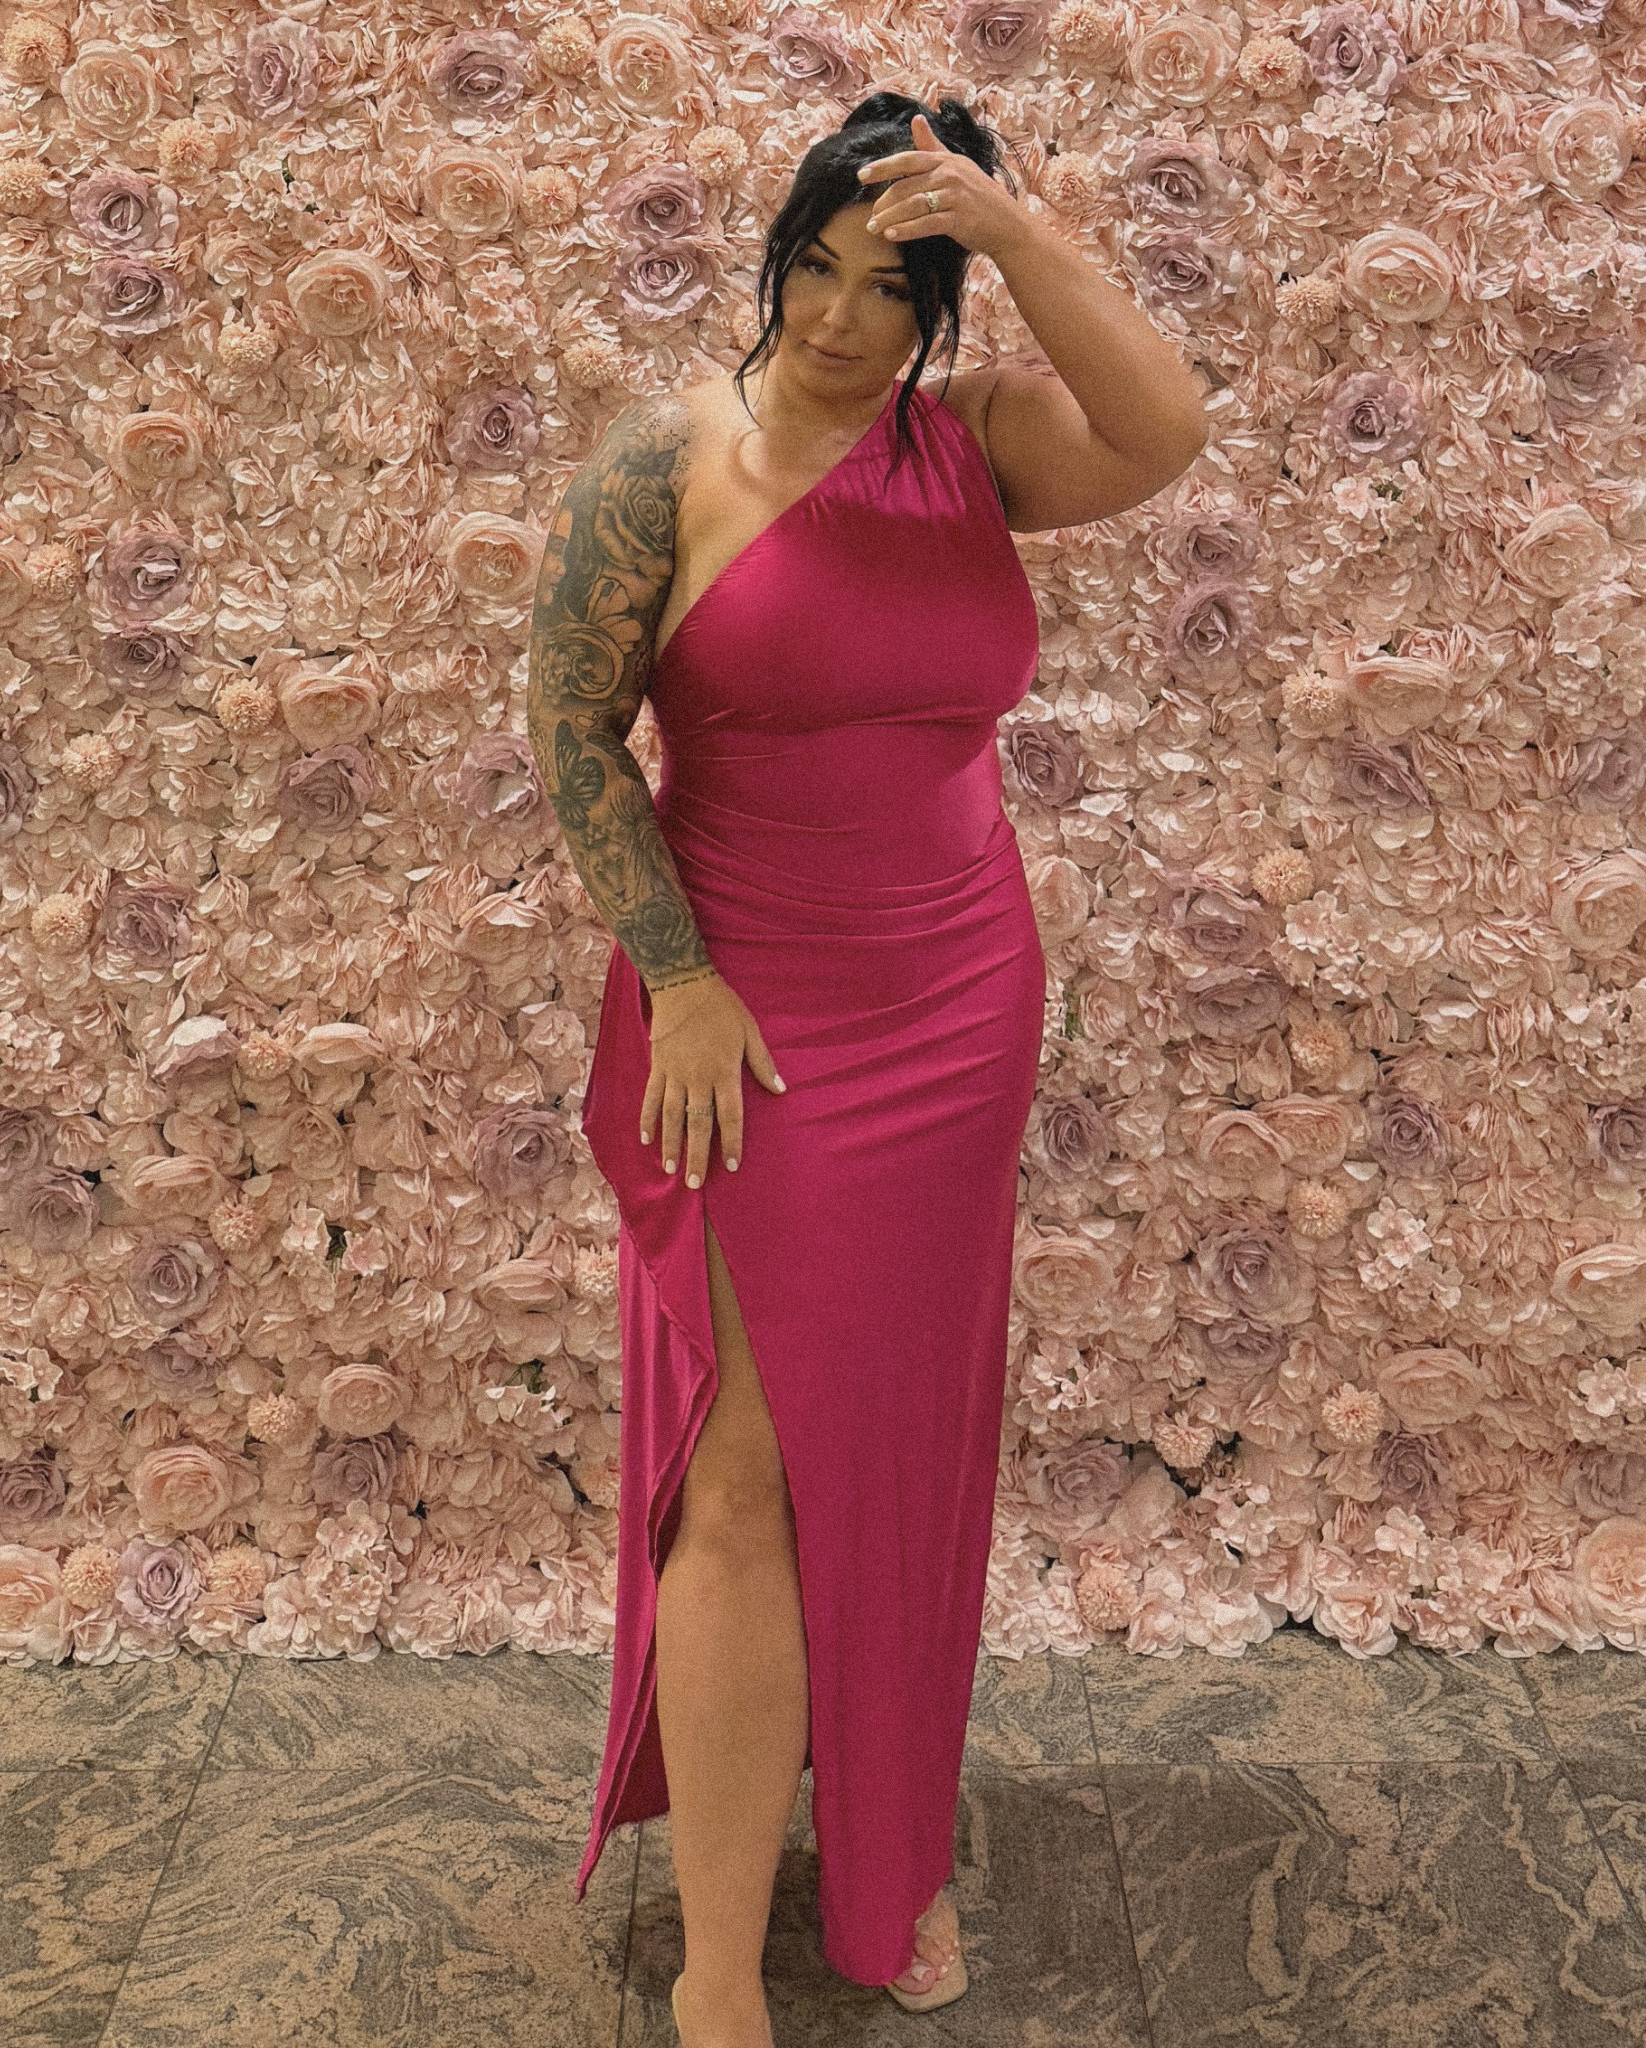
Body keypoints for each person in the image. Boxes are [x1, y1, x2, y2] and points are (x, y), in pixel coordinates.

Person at [528, 89, 1208, 2048]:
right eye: (813, 270)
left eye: (888, 287)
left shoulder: (975, 444)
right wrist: (676, 979)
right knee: (746, 1472)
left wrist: (1012, 227)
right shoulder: (666, 459)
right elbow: (573, 735)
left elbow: (1164, 430)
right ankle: (716, 1969)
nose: (837, 321)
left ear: (940, 303)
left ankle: (886, 1847)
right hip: (738, 1011)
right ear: (774, 262)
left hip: (958, 997)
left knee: (899, 1449)